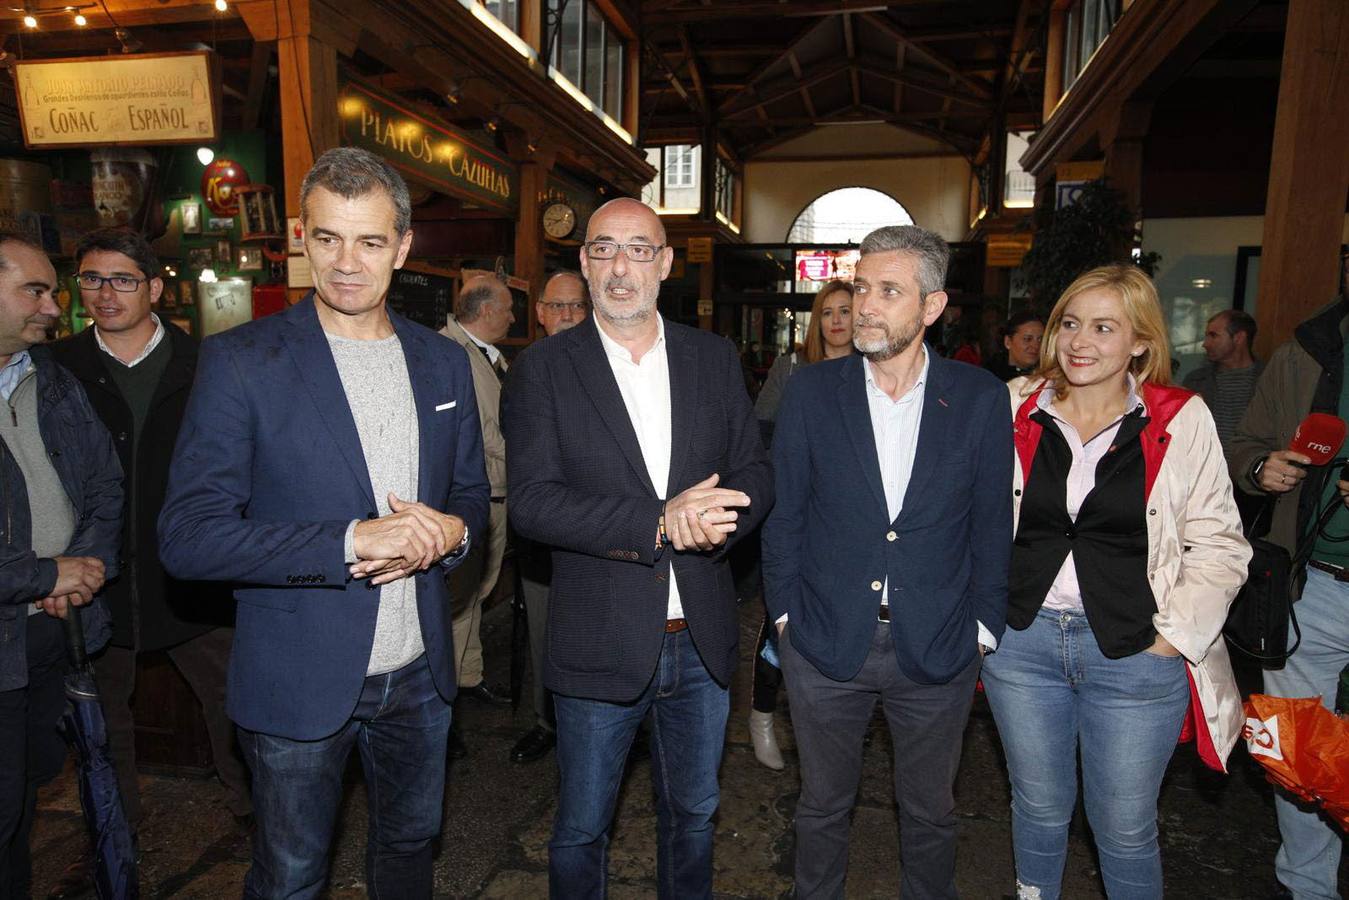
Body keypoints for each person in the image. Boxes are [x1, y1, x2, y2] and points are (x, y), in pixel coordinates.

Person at [158, 147, 489, 899]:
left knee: (408, 854)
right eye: (328, 237)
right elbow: (187, 535)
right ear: (300, 237)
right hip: (297, 676)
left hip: (420, 674)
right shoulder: (243, 361)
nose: (347, 262)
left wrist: (454, 533)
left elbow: (471, 497)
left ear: (401, 248)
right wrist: (347, 540)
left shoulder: (441, 365)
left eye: (370, 241)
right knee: (291, 875)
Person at [503, 197, 772, 898]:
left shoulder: (711, 358)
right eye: (603, 249)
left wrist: (720, 518)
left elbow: (754, 473)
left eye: (639, 249)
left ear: (666, 263)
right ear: (584, 263)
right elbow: (530, 503)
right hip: (600, 637)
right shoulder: (545, 369)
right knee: (583, 828)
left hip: (702, 637)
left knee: (694, 816)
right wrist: (657, 521)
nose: (621, 267)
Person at [762, 224, 1012, 899]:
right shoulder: (813, 393)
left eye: (888, 291)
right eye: (861, 287)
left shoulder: (980, 397)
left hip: (936, 644)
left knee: (931, 813)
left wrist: (982, 629)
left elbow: (992, 526)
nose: (866, 306)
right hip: (823, 640)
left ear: (931, 306)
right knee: (820, 806)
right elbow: (784, 516)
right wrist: (785, 618)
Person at [985, 264, 1249, 900]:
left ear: (1140, 342)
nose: (1080, 342)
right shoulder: (1013, 405)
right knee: (1038, 810)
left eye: (1104, 328)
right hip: (1023, 646)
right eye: (1070, 324)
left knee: (1125, 828)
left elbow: (1220, 544)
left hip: (1135, 653)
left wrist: (1174, 637)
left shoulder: (1179, 418)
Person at [49, 228, 251, 855]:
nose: (105, 293)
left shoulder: (208, 365)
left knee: (233, 703)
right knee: (103, 718)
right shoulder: (58, 368)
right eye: (91, 279)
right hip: (93, 572)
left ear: (156, 289)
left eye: (123, 279)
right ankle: (116, 835)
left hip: (195, 573)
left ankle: (257, 819)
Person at [0, 231, 122, 900]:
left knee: (25, 793)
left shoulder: (49, 377)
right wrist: (45, 575)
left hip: (49, 634)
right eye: (34, 290)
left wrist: (86, 566)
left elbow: (105, 481)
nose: (53, 307)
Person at [1228, 250, 1349, 900]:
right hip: (1310, 589)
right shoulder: (1303, 351)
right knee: (1292, 747)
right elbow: (1246, 442)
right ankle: (1308, 888)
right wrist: (1261, 470)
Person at [746, 278, 853, 771]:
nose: (835, 321)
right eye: (827, 312)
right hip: (795, 511)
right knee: (780, 619)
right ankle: (762, 714)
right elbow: (759, 435)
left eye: (845, 311)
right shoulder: (792, 369)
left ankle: (832, 723)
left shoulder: (874, 370)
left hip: (849, 519)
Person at [510, 270, 589, 766]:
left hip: (607, 533)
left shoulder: (613, 367)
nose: (567, 316)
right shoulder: (527, 370)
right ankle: (547, 723)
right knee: (545, 633)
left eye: (576, 307)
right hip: (543, 540)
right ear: (539, 313)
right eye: (557, 307)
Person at [440, 273, 516, 729]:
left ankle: (468, 677)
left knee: (478, 592)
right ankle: (444, 693)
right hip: (471, 496)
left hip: (499, 491)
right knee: (458, 597)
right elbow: (465, 438)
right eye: (508, 308)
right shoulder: (447, 353)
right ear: (486, 311)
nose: (512, 316)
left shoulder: (489, 355)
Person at [1183, 309, 1263, 453]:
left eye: (1213, 336)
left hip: (1249, 470)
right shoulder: (1195, 381)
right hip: (1205, 470)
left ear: (1239, 338)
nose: (1205, 344)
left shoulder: (1268, 381)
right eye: (1206, 336)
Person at [985, 309, 1045, 381]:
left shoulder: (1048, 377)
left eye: (1040, 340)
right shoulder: (989, 377)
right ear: (1008, 342)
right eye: (1027, 339)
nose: (1036, 346)